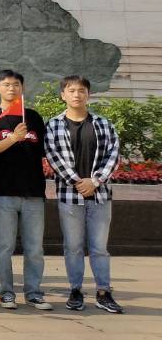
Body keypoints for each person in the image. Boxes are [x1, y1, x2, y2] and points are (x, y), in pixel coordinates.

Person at [45, 75, 122, 314]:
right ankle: (75, 290)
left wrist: (95, 181)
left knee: (99, 247)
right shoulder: (54, 125)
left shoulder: (103, 124)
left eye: (81, 90)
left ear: (88, 94)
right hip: (70, 197)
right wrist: (78, 182)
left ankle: (103, 292)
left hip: (100, 196)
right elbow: (53, 156)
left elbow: (114, 155)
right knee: (73, 246)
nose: (76, 95)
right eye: (71, 90)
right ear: (63, 95)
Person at [0, 70, 49, 311]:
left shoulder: (33, 117)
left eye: (16, 84)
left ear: (22, 88)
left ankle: (34, 293)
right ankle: (6, 292)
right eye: (6, 85)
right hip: (2, 192)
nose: (11, 89)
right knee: (4, 247)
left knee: (34, 249)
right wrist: (12, 139)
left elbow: (43, 151)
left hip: (33, 192)